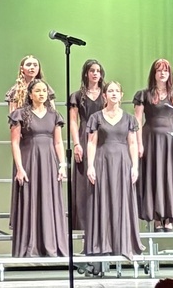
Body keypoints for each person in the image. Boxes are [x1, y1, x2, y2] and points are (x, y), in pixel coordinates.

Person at [9, 79, 69, 257]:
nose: (42, 94)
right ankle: (30, 247)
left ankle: (51, 245)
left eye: (44, 91)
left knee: (49, 200)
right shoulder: (20, 114)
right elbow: (14, 142)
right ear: (30, 94)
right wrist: (19, 167)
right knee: (30, 199)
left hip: (49, 161)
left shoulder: (54, 115)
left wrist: (62, 165)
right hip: (29, 159)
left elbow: (58, 142)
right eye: (38, 91)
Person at [84, 81, 144, 260]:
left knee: (121, 200)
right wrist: (90, 165)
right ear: (104, 95)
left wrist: (135, 166)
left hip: (122, 162)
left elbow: (132, 143)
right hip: (103, 160)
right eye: (110, 91)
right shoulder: (96, 117)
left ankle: (122, 243)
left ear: (121, 94)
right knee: (102, 199)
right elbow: (91, 142)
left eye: (117, 91)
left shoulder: (129, 118)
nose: (114, 94)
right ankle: (102, 242)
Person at [133, 58, 173, 231]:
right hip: (150, 139)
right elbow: (137, 120)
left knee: (169, 176)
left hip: (171, 140)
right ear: (154, 74)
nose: (163, 73)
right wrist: (138, 143)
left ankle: (169, 215)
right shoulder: (144, 95)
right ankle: (156, 216)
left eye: (165, 70)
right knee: (154, 175)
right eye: (159, 70)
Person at [67, 59, 106, 230]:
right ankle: (86, 233)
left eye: (98, 70)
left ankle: (103, 231)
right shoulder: (77, 96)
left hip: (103, 138)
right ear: (86, 73)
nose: (95, 73)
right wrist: (76, 144)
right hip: (84, 137)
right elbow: (73, 121)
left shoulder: (105, 94)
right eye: (92, 70)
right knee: (84, 185)